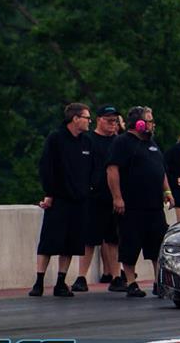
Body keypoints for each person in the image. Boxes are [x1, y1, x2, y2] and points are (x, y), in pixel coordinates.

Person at [107, 106, 174, 298]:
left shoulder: (152, 144)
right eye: (150, 120)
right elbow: (112, 170)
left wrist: (167, 191)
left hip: (153, 205)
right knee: (130, 244)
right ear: (139, 123)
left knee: (157, 245)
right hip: (132, 205)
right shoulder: (122, 143)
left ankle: (158, 282)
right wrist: (117, 197)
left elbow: (160, 169)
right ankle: (131, 282)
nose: (153, 124)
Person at [29, 103, 94, 298]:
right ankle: (39, 281)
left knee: (71, 243)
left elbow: (91, 168)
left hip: (79, 200)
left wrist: (88, 188)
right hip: (59, 199)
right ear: (75, 118)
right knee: (49, 241)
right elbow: (46, 167)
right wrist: (49, 193)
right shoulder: (56, 139)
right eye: (86, 118)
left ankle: (61, 281)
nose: (89, 121)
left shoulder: (86, 142)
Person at [73, 105, 124, 292]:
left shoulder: (119, 142)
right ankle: (81, 276)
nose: (113, 124)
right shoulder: (88, 140)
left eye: (115, 121)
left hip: (113, 196)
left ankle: (116, 276)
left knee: (113, 238)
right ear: (99, 119)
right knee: (89, 238)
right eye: (109, 120)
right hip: (93, 196)